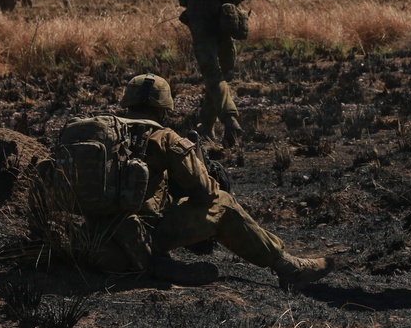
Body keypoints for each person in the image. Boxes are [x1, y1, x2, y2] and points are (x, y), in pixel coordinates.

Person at [76, 73, 336, 288]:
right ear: (164, 108)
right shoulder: (163, 138)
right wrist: (197, 165)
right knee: (223, 203)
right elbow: (207, 192)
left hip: (94, 235)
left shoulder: (104, 134)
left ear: (127, 103)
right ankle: (287, 267)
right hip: (140, 235)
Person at [160, 0, 257, 146]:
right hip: (226, 15)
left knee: (212, 71)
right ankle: (206, 124)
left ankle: (230, 119)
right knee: (222, 71)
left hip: (200, 16)